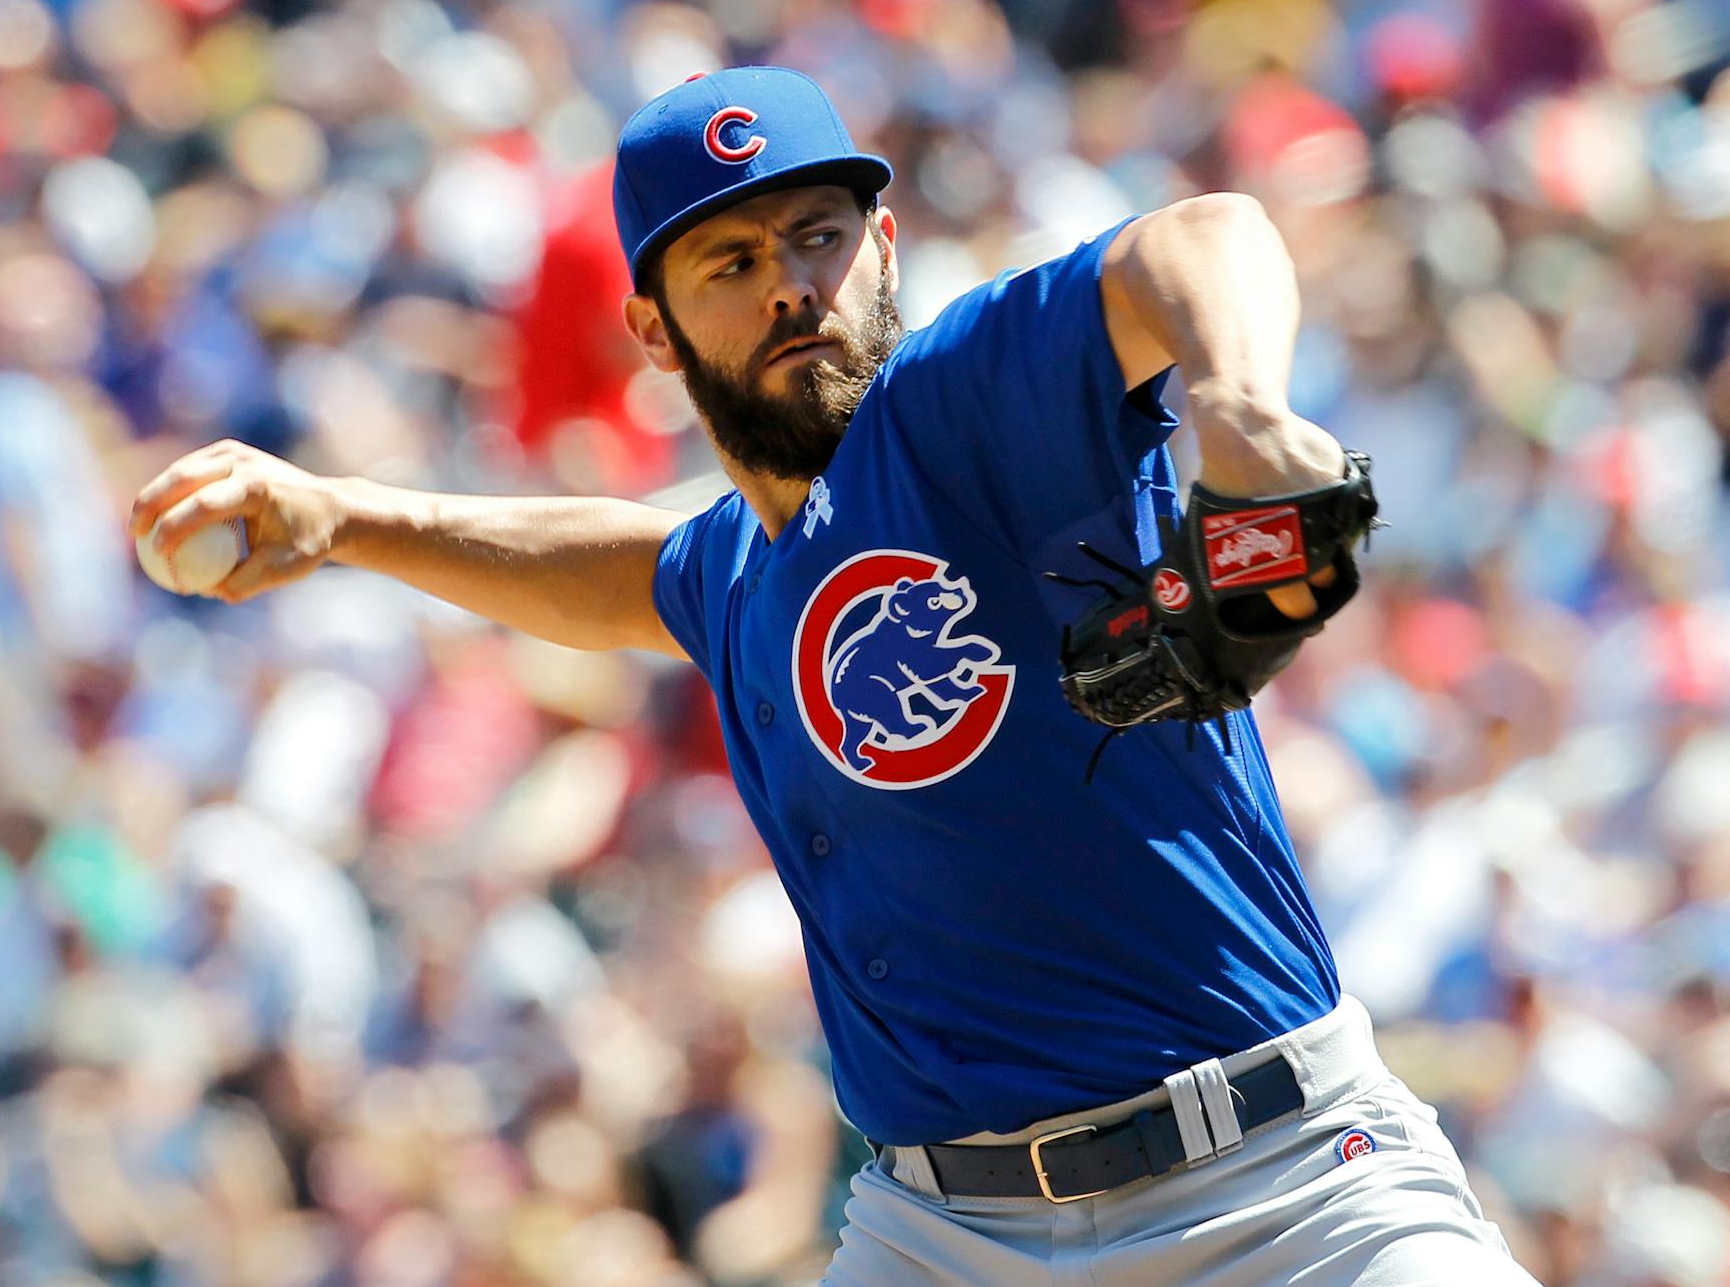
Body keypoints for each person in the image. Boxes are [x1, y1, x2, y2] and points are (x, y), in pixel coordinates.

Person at [130, 65, 1538, 1284]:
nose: (794, 283)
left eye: (818, 232)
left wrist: (1234, 398)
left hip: (1281, 1187)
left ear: (884, 243)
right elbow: (625, 563)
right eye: (729, 265)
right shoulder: (735, 574)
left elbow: (1204, 234)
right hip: (949, 1236)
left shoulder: (958, 407)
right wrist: (351, 519)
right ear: (654, 332)